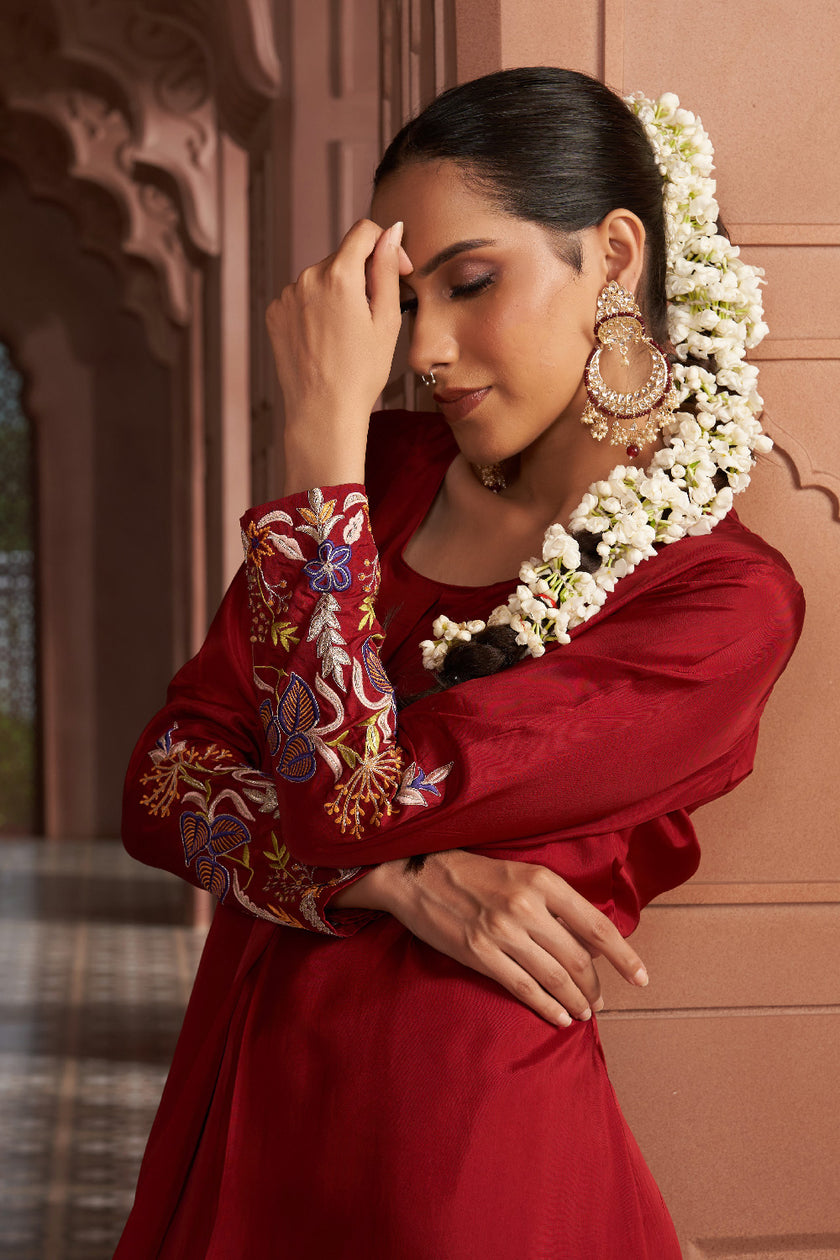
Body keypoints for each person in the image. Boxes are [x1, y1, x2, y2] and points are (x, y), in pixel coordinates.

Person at [114, 68, 804, 1259]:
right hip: (252, 1090)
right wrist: (395, 883)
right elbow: (160, 784)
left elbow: (345, 800)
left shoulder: (718, 605)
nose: (423, 349)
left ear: (616, 256)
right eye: (403, 297)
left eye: (471, 284)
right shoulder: (385, 483)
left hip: (467, 1142)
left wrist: (316, 439)